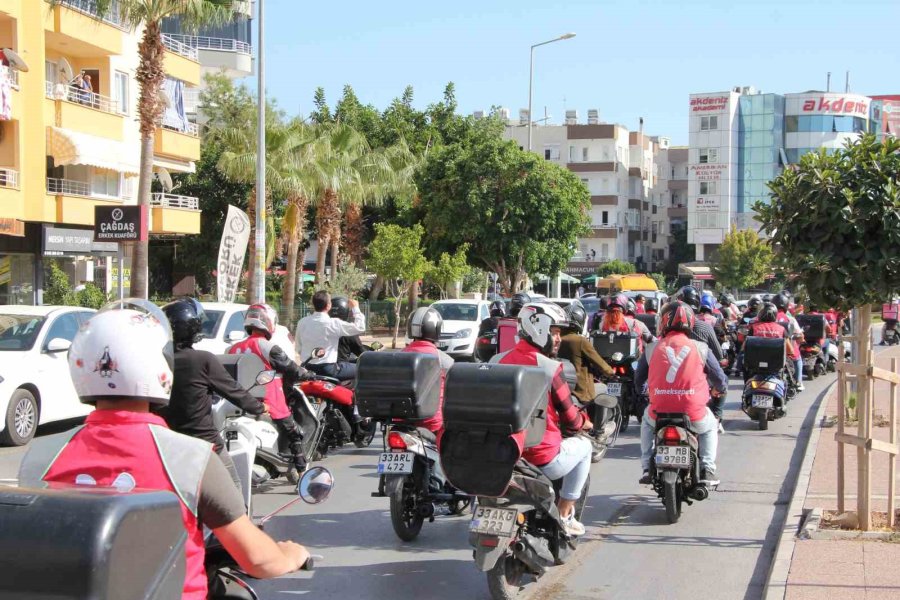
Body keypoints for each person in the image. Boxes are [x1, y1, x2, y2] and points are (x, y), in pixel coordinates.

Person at [17, 299, 310, 600]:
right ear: (161, 364)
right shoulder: (193, 459)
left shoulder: (41, 456)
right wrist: (291, 553)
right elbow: (259, 560)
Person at [490, 302, 593, 536]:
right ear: (539, 328)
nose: (558, 339)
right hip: (541, 458)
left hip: (500, 454)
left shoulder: (496, 361)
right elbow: (571, 418)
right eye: (555, 333)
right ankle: (565, 513)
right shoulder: (549, 368)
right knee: (585, 447)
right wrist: (584, 422)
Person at [158, 298, 267, 493]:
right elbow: (233, 390)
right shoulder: (202, 360)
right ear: (193, 327)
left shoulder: (159, 361)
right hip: (204, 442)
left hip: (166, 443)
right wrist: (260, 408)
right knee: (233, 489)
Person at [635, 301, 728, 486]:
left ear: (663, 322)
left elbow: (638, 380)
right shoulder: (701, 348)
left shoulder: (652, 348)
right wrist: (721, 389)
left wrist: (643, 392)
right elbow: (719, 378)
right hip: (693, 414)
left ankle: (646, 467)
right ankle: (707, 469)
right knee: (711, 426)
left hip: (659, 413)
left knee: (646, 422)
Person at [229, 303, 309, 475]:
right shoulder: (267, 346)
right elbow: (291, 368)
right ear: (268, 322)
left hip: (239, 403)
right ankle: (303, 473)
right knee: (294, 433)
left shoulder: (232, 348)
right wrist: (307, 374)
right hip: (269, 401)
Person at [401, 307, 454, 435]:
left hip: (401, 420)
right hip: (432, 422)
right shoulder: (444, 360)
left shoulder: (400, 356)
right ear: (436, 329)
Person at [295, 290, 365, 381]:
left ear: (313, 305)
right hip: (328, 370)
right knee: (364, 369)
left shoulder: (302, 322)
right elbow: (360, 327)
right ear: (328, 306)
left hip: (307, 368)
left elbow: (298, 347)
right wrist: (356, 308)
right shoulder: (334, 323)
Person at [556, 302, 614, 404]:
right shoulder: (580, 341)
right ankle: (595, 420)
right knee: (604, 388)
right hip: (581, 392)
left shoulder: (556, 339)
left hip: (561, 389)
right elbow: (599, 362)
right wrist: (611, 373)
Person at [772, 293, 804, 391]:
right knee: (797, 358)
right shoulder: (790, 319)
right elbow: (800, 336)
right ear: (786, 306)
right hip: (786, 351)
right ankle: (798, 382)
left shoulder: (767, 317)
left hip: (768, 349)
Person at [330, 296, 367, 363]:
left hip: (316, 366)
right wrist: (355, 308)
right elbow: (363, 354)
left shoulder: (321, 327)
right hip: (339, 368)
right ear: (345, 311)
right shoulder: (348, 332)